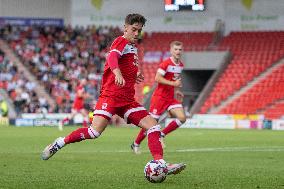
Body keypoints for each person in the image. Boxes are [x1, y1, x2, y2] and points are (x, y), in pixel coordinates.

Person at [41, 14, 186, 175]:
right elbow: (112, 57)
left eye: (139, 30)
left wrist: (135, 73)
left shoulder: (132, 47)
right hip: (110, 97)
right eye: (134, 29)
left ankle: (160, 163)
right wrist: (117, 73)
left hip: (127, 101)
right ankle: (60, 142)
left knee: (154, 127)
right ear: (126, 28)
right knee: (94, 132)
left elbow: (126, 64)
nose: (137, 33)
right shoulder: (121, 40)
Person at [131, 41, 186, 154]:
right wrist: (174, 84)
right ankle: (136, 143)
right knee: (150, 125)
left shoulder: (180, 65)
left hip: (171, 97)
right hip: (160, 98)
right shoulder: (165, 64)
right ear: (171, 50)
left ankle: (162, 133)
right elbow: (157, 78)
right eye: (176, 49)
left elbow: (174, 81)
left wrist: (177, 91)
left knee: (182, 118)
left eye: (180, 49)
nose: (178, 52)